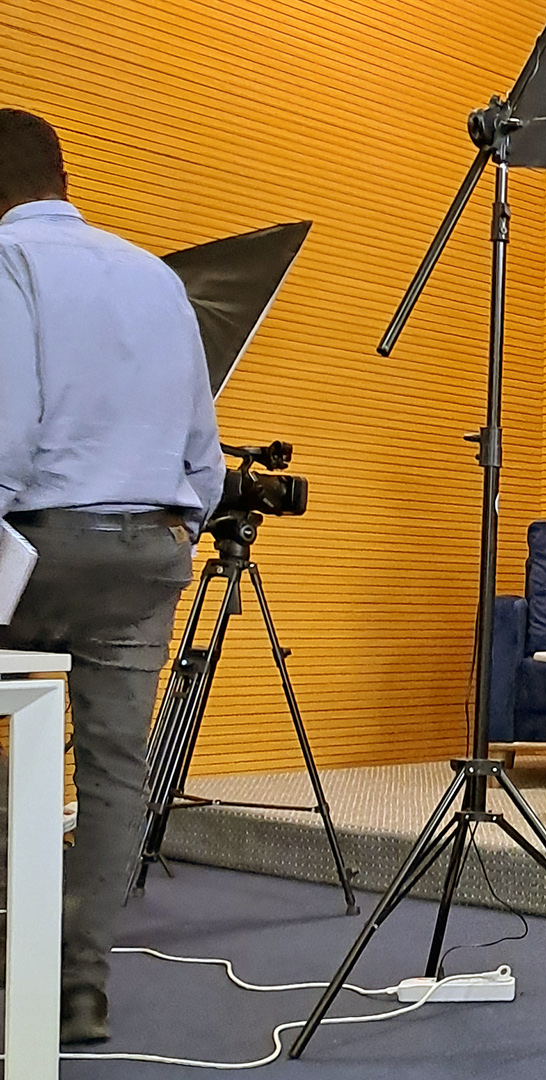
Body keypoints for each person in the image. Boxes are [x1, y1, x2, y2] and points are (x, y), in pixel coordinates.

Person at [0, 108, 223, 1044]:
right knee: (114, 772)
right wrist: (179, 521)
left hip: (38, 547)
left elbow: (7, 430)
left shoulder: (8, 265)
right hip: (147, 551)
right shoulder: (155, 275)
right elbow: (201, 452)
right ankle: (77, 988)